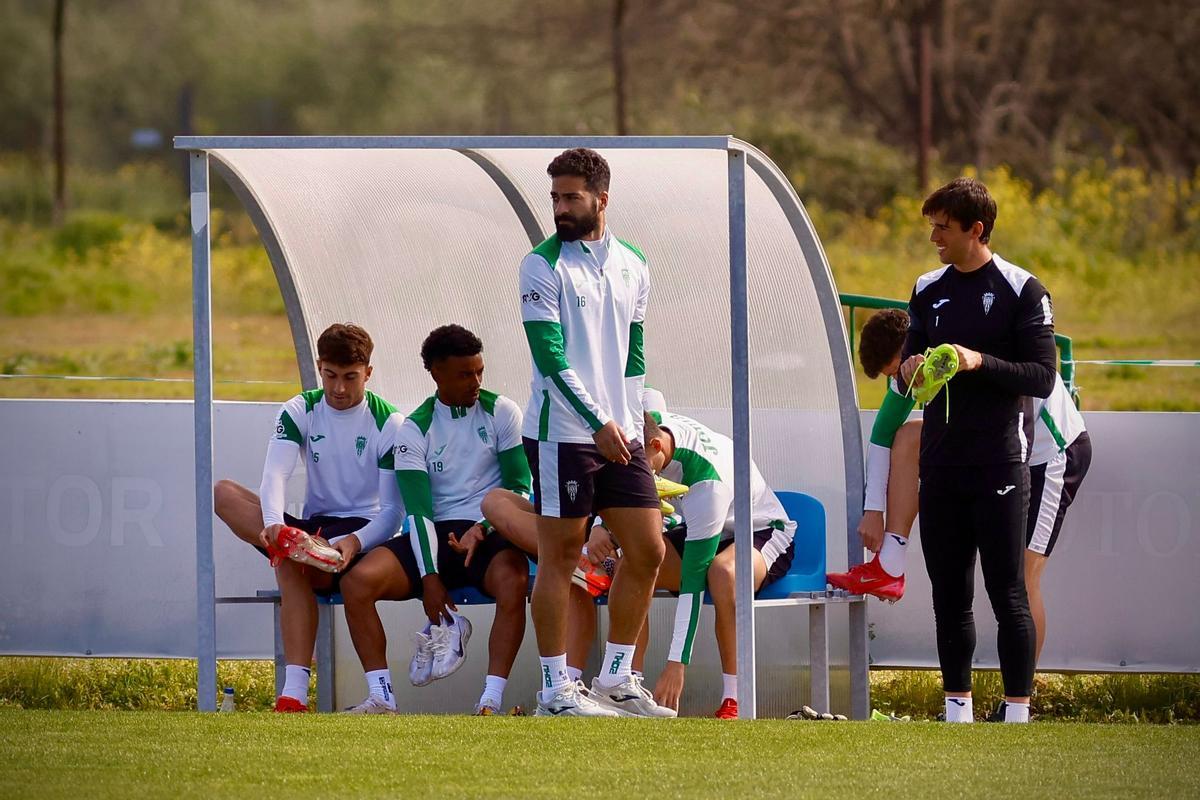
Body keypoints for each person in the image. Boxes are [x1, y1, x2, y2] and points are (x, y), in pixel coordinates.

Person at [831, 309, 1092, 676]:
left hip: (1048, 455)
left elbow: (1022, 401)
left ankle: (1018, 703)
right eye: (896, 377)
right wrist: (873, 509)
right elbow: (883, 434)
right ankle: (890, 564)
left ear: (911, 350)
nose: (903, 383)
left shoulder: (963, 344)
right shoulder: (912, 363)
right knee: (907, 438)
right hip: (994, 455)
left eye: (899, 371)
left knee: (1020, 579)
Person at [519, 147, 673, 717]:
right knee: (559, 556)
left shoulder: (635, 262)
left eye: (571, 197)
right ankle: (555, 690)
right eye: (555, 196)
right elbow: (550, 357)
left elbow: (634, 355)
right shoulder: (540, 265)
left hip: (619, 433)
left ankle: (615, 679)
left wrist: (631, 426)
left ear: (601, 199)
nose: (560, 207)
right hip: (562, 432)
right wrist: (598, 423)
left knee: (648, 548)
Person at [898, 177, 1056, 724]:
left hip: (999, 462)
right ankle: (956, 710)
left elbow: (1041, 376)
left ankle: (1017, 713)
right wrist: (908, 369)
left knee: (1006, 591)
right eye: (932, 226)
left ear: (976, 229)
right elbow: (904, 371)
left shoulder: (1023, 289)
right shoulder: (925, 287)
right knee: (948, 595)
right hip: (940, 463)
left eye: (943, 226)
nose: (934, 236)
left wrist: (978, 360)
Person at [337, 325, 533, 715]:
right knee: (357, 582)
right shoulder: (414, 428)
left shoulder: (503, 411)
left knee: (513, 578)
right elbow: (419, 512)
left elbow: (520, 488)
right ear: (435, 374)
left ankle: (491, 701)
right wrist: (430, 578)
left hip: (487, 531)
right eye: (465, 374)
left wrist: (484, 528)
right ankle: (381, 697)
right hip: (434, 535)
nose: (476, 382)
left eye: (479, 371)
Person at [214, 323, 405, 712]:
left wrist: (353, 543)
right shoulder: (300, 408)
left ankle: (294, 693)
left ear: (368, 372)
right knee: (224, 493)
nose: (338, 388)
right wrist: (275, 524)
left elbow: (393, 513)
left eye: (350, 378)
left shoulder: (390, 422)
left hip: (359, 531)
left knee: (288, 564)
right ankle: (295, 545)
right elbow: (275, 476)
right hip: (310, 528)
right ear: (319, 367)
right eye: (330, 376)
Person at [592, 410, 795, 719]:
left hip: (760, 530)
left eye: (636, 466)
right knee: (633, 564)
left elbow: (692, 583)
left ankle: (735, 697)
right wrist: (599, 527)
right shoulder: (652, 424)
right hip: (705, 525)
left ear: (656, 448)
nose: (631, 476)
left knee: (723, 574)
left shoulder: (707, 486)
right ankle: (624, 686)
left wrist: (677, 664)